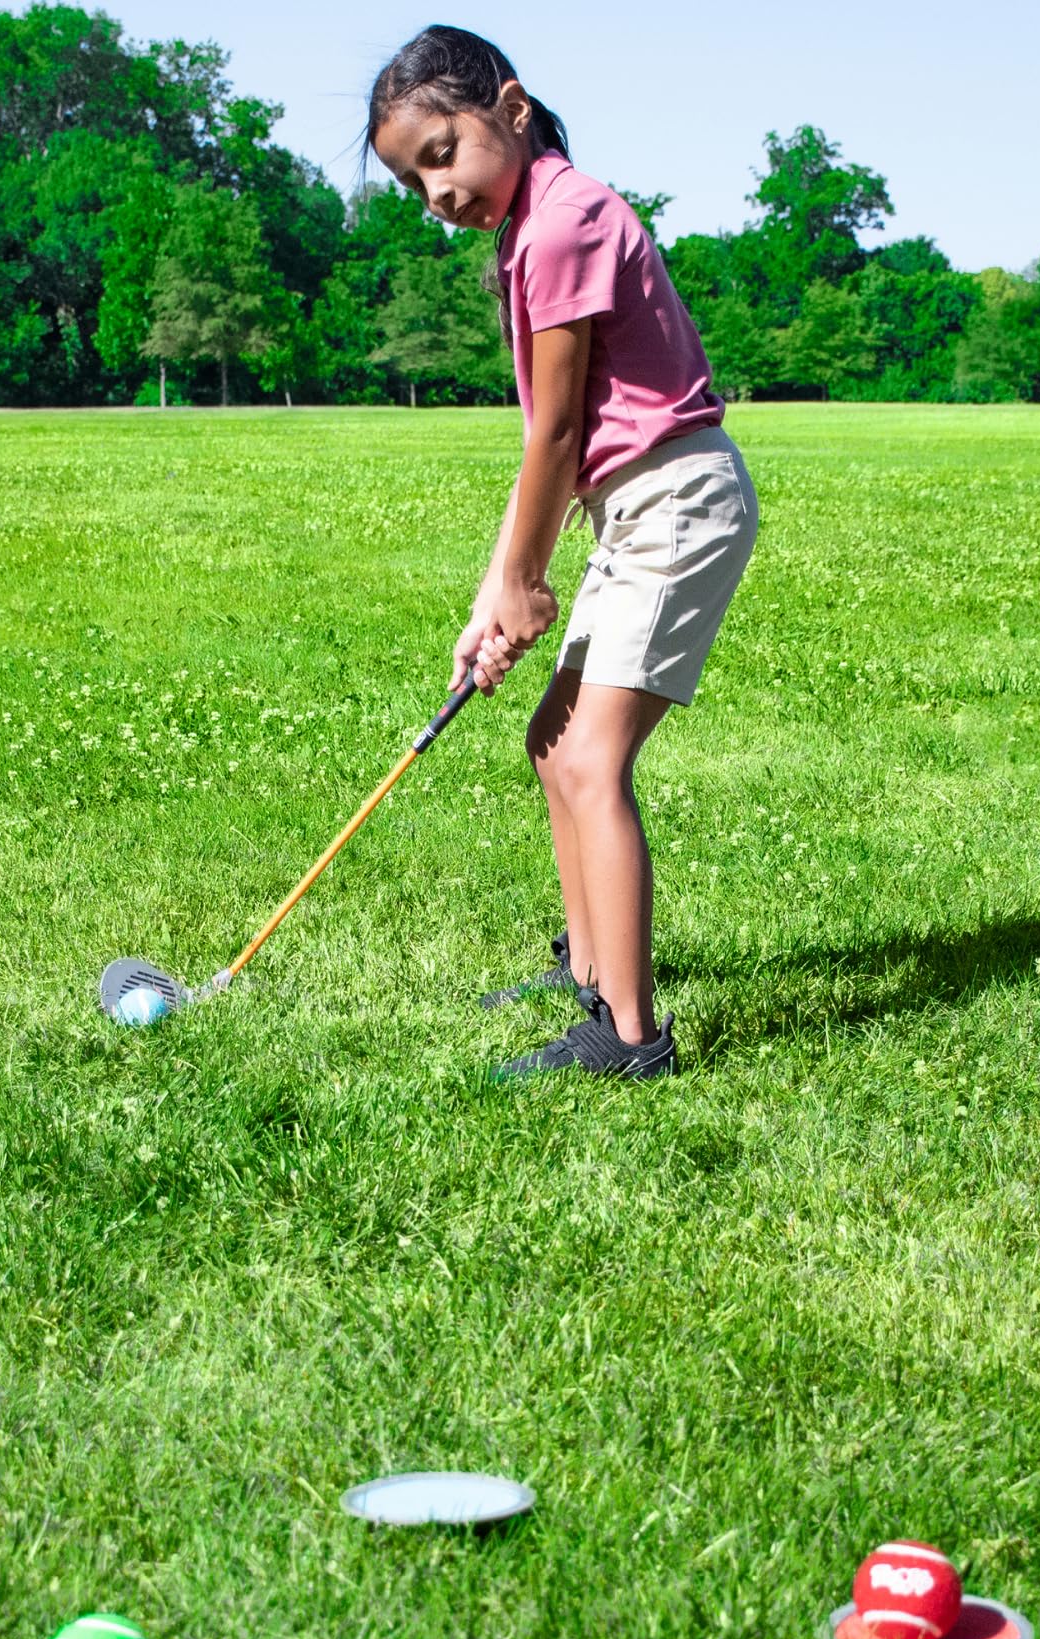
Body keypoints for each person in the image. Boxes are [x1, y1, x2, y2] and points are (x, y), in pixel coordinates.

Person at [368, 25, 758, 1079]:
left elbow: (557, 432)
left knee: (592, 760)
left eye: (440, 154)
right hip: (630, 506)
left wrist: (524, 581)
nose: (434, 194)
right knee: (552, 736)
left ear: (512, 108)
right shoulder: (527, 231)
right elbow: (544, 439)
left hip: (675, 499)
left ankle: (627, 1037)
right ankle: (588, 966)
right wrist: (495, 594)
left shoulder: (566, 218)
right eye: (413, 181)